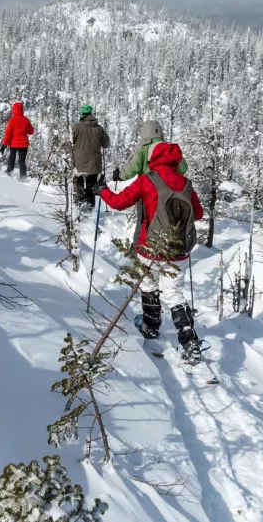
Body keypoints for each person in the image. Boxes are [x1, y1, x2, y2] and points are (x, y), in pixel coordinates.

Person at [98, 142, 204, 363]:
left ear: (153, 159)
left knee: (148, 287)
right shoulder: (186, 183)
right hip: (178, 250)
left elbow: (119, 203)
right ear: (176, 160)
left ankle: (151, 327)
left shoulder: (148, 179)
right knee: (175, 294)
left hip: (150, 247)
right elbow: (199, 213)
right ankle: (189, 340)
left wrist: (103, 191)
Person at [113, 119, 187, 183]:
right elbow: (184, 168)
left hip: (149, 187)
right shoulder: (170, 147)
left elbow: (132, 169)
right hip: (170, 190)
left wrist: (120, 176)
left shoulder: (141, 147)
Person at [71, 105, 109, 215]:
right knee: (91, 185)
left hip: (79, 163)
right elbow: (106, 144)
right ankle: (91, 208)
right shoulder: (99, 128)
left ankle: (80, 202)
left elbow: (70, 142)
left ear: (81, 115)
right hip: (94, 163)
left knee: (78, 183)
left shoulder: (76, 127)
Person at [1, 101, 34, 180]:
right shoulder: (26, 120)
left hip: (14, 144)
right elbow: (31, 132)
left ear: (14, 110)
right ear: (22, 110)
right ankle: (23, 177)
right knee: (22, 161)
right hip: (24, 144)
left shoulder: (12, 120)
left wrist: (4, 145)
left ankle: (9, 172)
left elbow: (8, 134)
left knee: (12, 158)